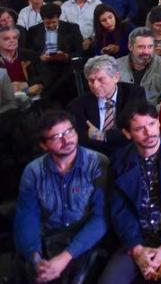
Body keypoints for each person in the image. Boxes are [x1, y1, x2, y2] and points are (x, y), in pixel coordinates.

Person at [101, 102, 161, 283]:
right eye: (140, 129)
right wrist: (137, 249)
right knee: (110, 281)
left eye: (152, 124)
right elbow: (119, 210)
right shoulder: (118, 162)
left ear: (159, 123)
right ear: (127, 133)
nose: (149, 133)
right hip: (138, 237)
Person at [14, 109, 109, 283]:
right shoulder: (33, 171)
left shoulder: (98, 163)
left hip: (85, 240)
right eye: (56, 137)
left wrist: (65, 257)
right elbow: (26, 219)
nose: (66, 140)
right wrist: (37, 261)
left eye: (69, 131)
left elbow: (101, 219)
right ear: (44, 145)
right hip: (48, 239)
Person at [68, 54, 146, 157]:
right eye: (91, 80)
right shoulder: (78, 104)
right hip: (94, 156)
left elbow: (133, 131)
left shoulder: (134, 94)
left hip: (128, 154)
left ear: (116, 77)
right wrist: (119, 135)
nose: (95, 85)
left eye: (101, 79)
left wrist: (102, 135)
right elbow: (78, 138)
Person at [27, 2, 84, 106]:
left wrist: (65, 56)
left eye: (54, 22)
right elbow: (30, 54)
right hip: (43, 68)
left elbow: (79, 53)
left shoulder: (72, 29)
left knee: (62, 78)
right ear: (42, 19)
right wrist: (40, 56)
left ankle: (48, 100)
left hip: (65, 67)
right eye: (47, 23)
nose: (51, 25)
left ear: (58, 18)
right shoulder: (33, 31)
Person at [117, 27, 161, 105]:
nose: (146, 52)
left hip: (154, 114)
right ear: (130, 47)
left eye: (150, 47)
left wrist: (155, 113)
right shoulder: (117, 65)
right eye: (141, 47)